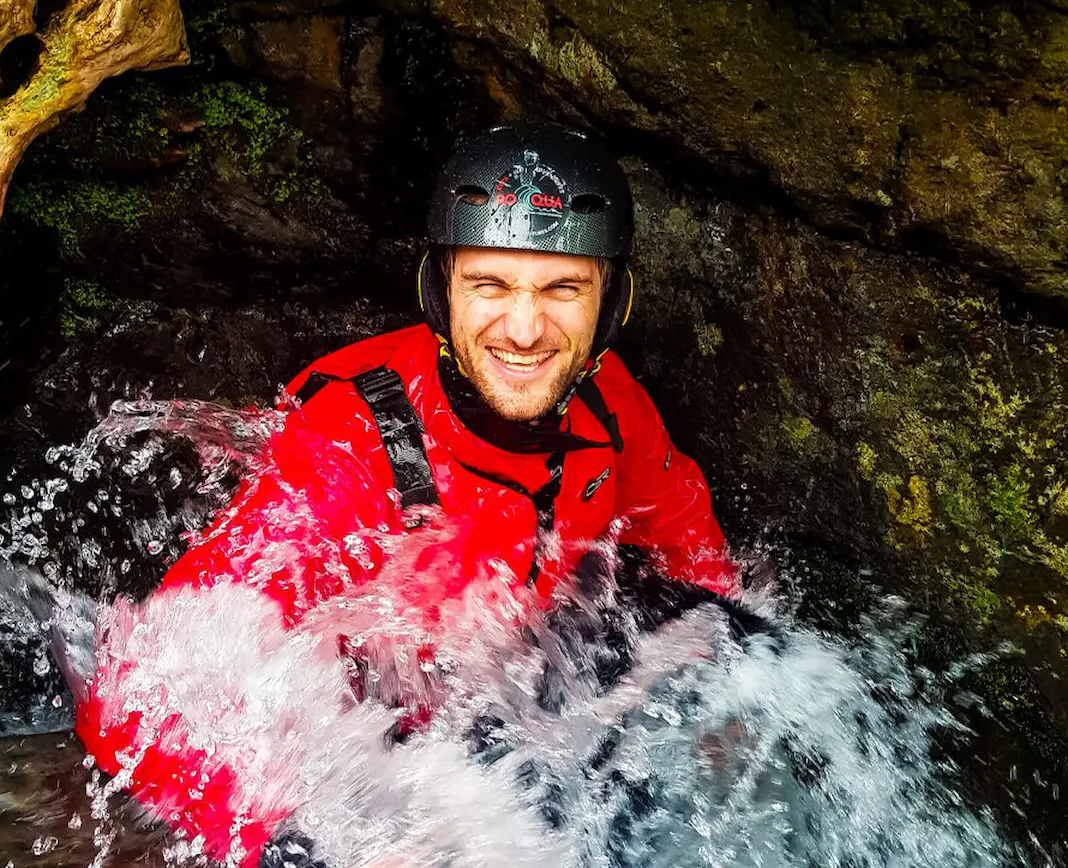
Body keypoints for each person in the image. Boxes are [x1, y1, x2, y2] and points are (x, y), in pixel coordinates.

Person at [74, 122, 740, 866]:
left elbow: (688, 546)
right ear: (441, 289)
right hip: (385, 773)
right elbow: (142, 688)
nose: (525, 330)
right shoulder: (348, 444)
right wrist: (292, 838)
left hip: (525, 725)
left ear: (609, 303)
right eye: (491, 285)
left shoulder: (610, 403)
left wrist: (723, 695)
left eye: (563, 288)